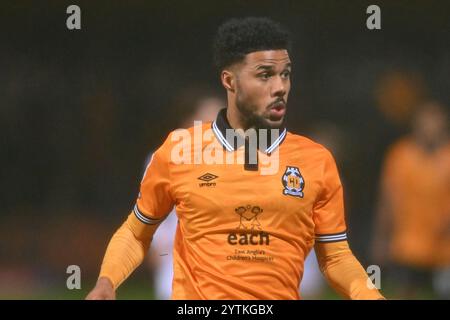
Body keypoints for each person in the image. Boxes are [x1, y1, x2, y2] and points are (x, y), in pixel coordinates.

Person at [86, 17, 384, 300]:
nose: (280, 87)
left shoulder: (316, 161)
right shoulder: (178, 150)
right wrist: (106, 282)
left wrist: (368, 293)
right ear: (230, 81)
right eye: (265, 75)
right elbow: (136, 233)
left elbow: (335, 256)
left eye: (286, 74)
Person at [372, 101, 450, 299]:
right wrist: (381, 238)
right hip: (407, 244)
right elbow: (388, 200)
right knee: (405, 292)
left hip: (443, 247)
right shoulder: (400, 156)